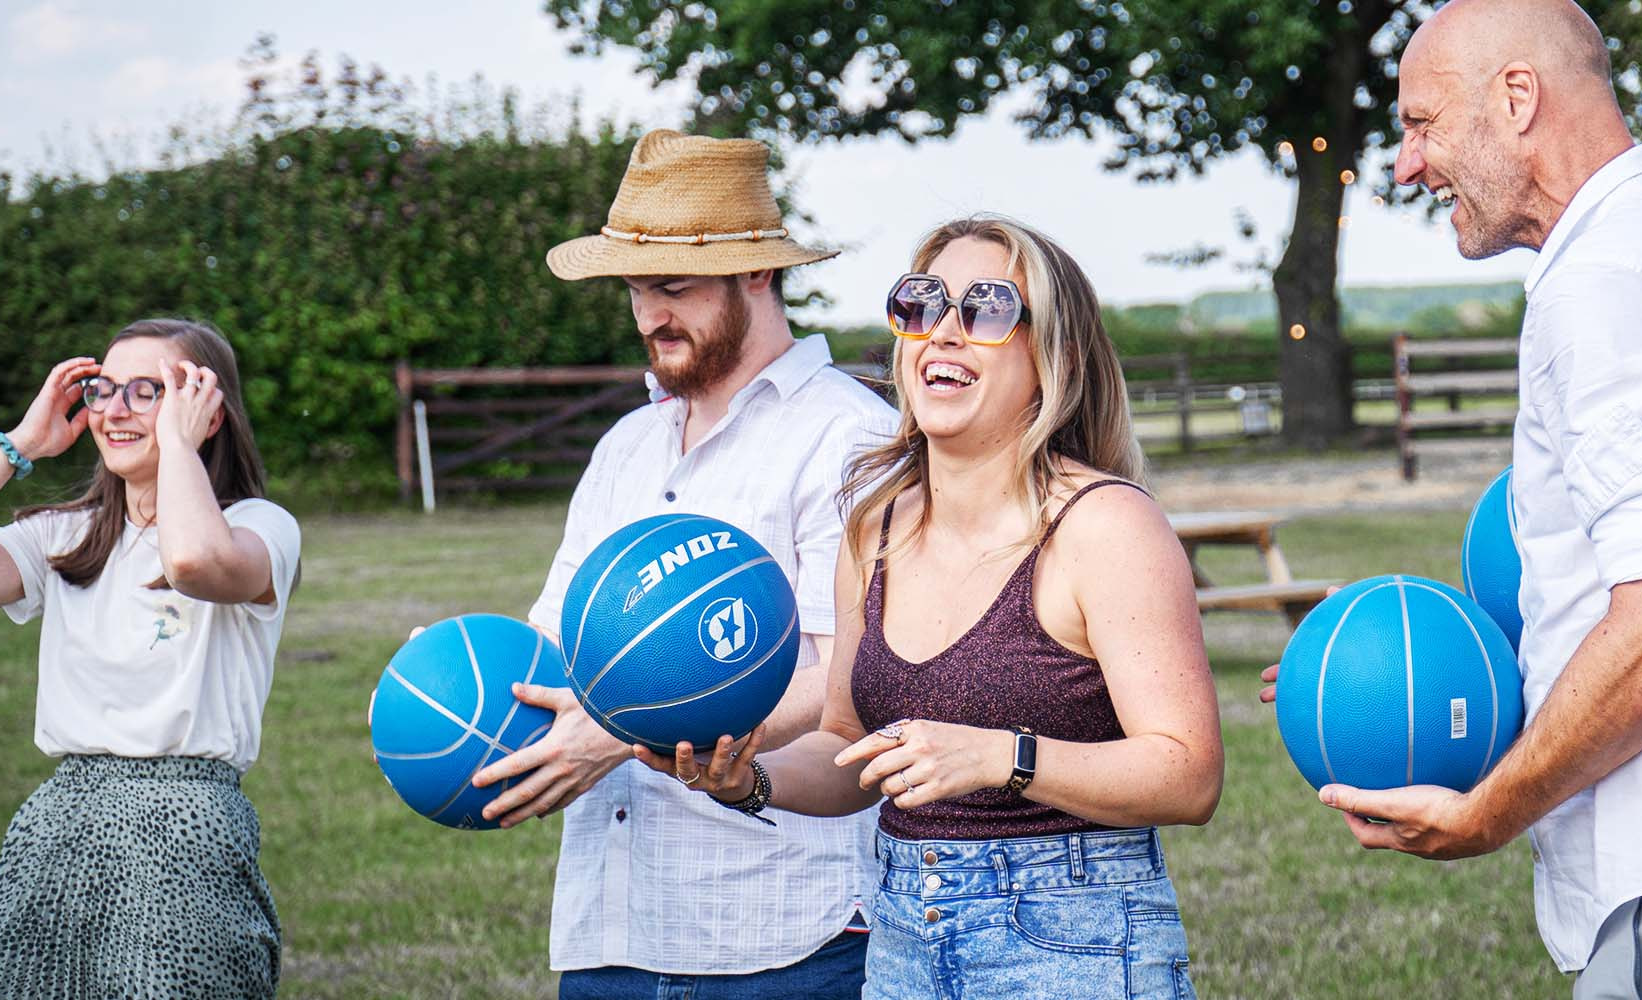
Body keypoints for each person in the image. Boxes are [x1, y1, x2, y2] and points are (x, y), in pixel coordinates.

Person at [1262, 1, 1642, 996]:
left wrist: (1489, 811)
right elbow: (1618, 601)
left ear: (1516, 97)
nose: (1404, 165)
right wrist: (1372, 674)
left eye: (1420, 124)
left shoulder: (1605, 276)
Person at [647, 216, 1224, 999]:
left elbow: (1188, 775)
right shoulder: (874, 526)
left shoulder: (1104, 526)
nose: (943, 332)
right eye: (921, 304)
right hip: (902, 942)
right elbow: (851, 745)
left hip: (1073, 942)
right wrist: (751, 782)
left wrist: (1001, 757)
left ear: (1054, 354)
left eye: (985, 309)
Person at [465, 129, 898, 1000]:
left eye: (673, 287)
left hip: (780, 928)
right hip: (610, 926)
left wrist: (629, 728)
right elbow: (556, 646)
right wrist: (455, 679)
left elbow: (844, 676)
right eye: (634, 289)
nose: (648, 315)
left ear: (757, 273)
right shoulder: (627, 445)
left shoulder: (846, 436)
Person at [0, 319, 300, 999]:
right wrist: (17, 447)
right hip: (57, 825)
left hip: (186, 833)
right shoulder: (66, 537)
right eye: (103, 389)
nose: (114, 410)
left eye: (146, 391)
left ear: (203, 408)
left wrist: (179, 447)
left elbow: (192, 562)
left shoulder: (261, 528)